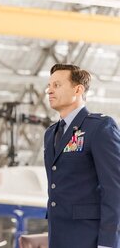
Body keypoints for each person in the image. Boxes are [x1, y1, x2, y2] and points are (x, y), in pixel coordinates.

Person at [44, 63, 120, 248]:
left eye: (57, 85)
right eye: (49, 85)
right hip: (58, 236)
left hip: (89, 237)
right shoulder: (51, 133)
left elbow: (115, 188)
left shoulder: (100, 127)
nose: (49, 91)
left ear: (78, 89)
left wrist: (108, 242)